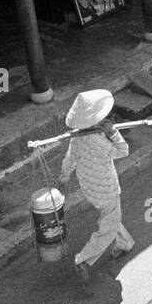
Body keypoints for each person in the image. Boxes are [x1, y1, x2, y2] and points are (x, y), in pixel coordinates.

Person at [58, 89, 134, 281]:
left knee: (111, 217)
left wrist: (63, 178)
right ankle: (84, 259)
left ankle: (125, 243)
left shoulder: (76, 139)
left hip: (90, 190)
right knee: (108, 226)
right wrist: (113, 132)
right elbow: (123, 151)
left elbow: (69, 161)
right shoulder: (99, 141)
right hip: (107, 189)